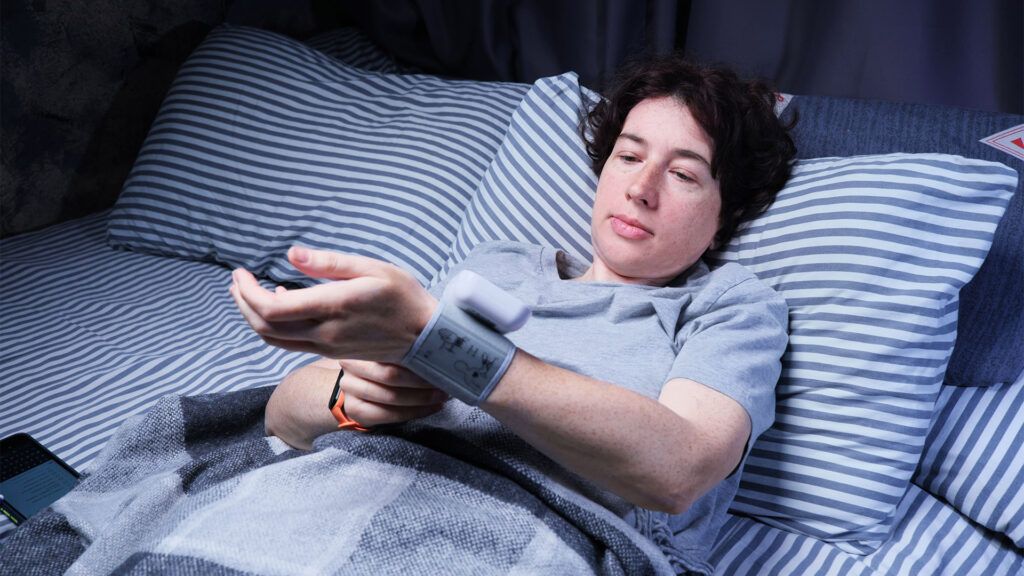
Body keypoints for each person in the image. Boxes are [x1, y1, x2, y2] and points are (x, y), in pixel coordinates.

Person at [231, 54, 795, 571]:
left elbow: (681, 472)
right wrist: (349, 398)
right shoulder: (500, 265)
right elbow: (282, 420)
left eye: (683, 174)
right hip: (351, 482)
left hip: (529, 536)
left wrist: (453, 351)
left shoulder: (730, 304)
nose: (641, 189)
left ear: (727, 212)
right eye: (628, 155)